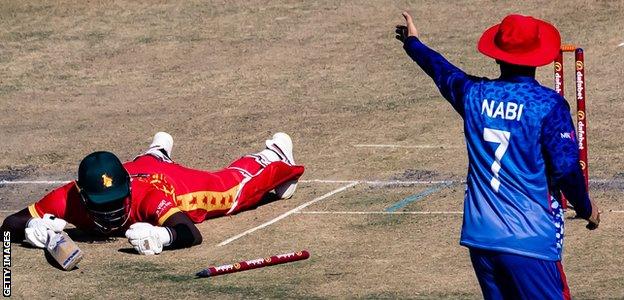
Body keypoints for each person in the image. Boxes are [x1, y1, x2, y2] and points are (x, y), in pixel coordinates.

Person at [395, 12, 600, 299]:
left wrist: (413, 43)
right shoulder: (548, 105)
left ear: (497, 56)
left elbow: (443, 72)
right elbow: (566, 169)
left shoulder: (474, 95)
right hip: (529, 240)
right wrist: (586, 208)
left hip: (481, 238)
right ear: (537, 57)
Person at [1, 132, 304, 255]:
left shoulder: (145, 196)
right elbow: (7, 225)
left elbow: (190, 232)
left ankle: (274, 156)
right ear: (82, 195)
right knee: (141, 165)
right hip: (135, 169)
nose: (112, 211)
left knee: (229, 191)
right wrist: (30, 228)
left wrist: (163, 237)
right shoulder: (66, 198)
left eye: (117, 201)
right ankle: (156, 153)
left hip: (170, 185)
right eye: (102, 204)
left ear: (127, 190)